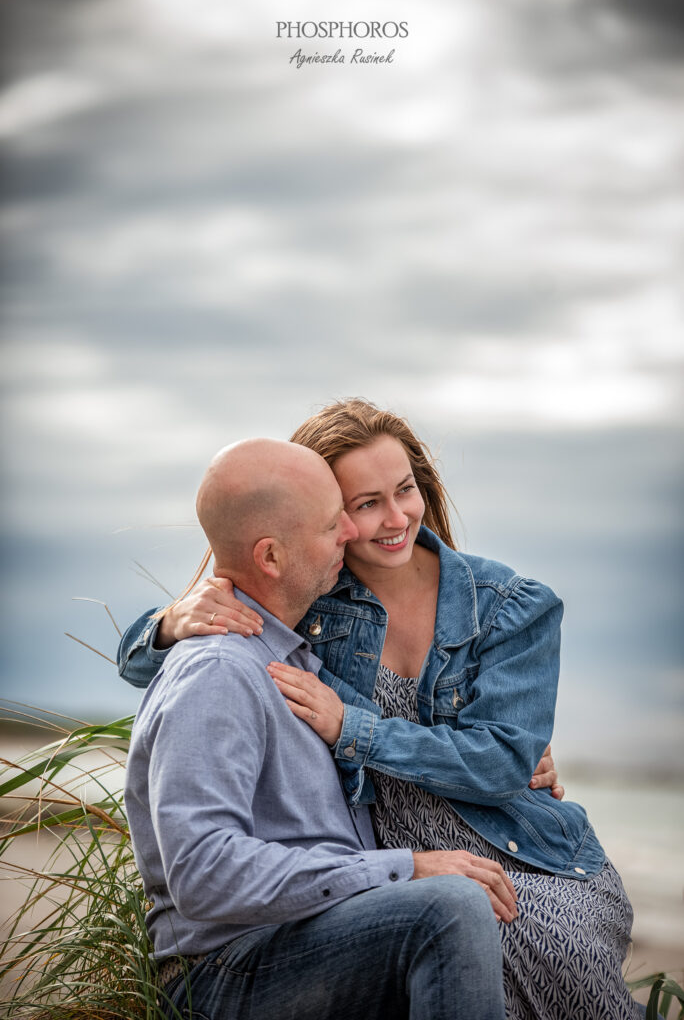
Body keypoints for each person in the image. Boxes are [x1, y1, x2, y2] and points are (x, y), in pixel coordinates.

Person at [120, 401, 641, 1020]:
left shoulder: (507, 605)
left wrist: (357, 730)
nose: (394, 519)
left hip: (511, 843)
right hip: (390, 861)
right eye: (362, 505)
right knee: (468, 923)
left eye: (405, 490)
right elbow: (197, 666)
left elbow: (503, 763)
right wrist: (169, 622)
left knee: (556, 950)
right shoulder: (308, 598)